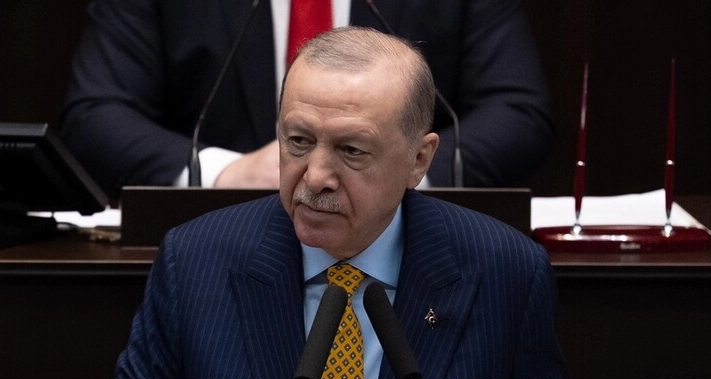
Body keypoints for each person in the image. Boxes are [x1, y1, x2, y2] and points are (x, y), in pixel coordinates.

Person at [75, 27, 595, 379]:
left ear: (419, 159)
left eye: (351, 150)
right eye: (299, 141)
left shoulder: (504, 270)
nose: (316, 176)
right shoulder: (194, 263)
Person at [59, 0, 554, 197]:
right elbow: (95, 116)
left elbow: (518, 113)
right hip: (214, 240)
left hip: (409, 244)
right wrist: (226, 173)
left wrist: (396, 174)